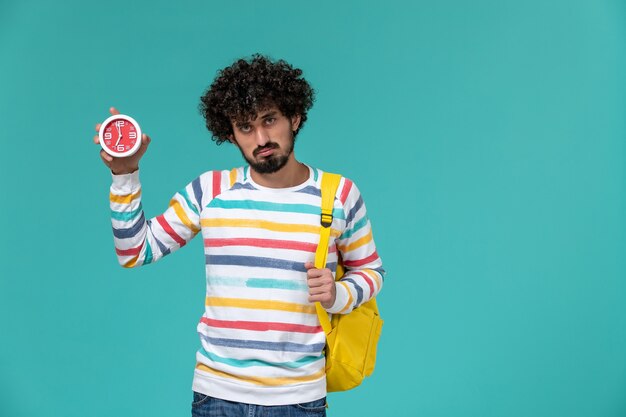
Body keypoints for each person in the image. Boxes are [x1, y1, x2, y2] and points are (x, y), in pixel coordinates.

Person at [93, 54, 384, 417]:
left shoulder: (339, 194)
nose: (261, 138)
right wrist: (125, 173)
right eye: (245, 127)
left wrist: (339, 293)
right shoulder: (210, 191)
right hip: (216, 397)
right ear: (229, 134)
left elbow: (371, 272)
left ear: (294, 117)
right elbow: (135, 251)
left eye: (269, 120)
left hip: (298, 399)